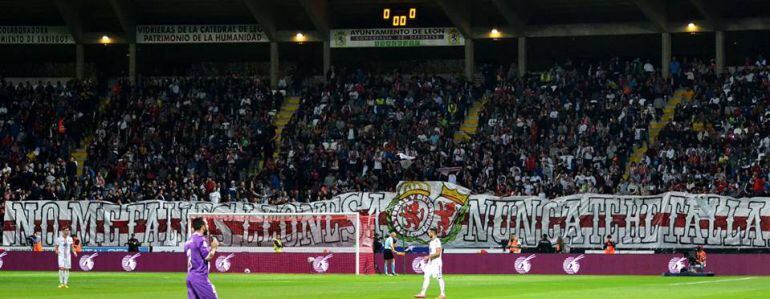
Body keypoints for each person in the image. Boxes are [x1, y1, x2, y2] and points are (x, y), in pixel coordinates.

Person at [185, 217, 219, 299]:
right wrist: (214, 247)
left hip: (190, 277)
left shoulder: (189, 240)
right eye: (206, 224)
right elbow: (208, 257)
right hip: (200, 278)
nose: (207, 226)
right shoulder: (200, 240)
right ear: (202, 226)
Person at [414, 228, 445, 299]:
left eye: (429, 232)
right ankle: (422, 293)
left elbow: (437, 253)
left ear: (433, 233)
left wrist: (428, 256)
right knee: (426, 276)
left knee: (439, 278)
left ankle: (443, 294)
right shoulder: (431, 242)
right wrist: (429, 259)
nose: (428, 234)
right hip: (431, 262)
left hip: (437, 262)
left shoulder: (437, 241)